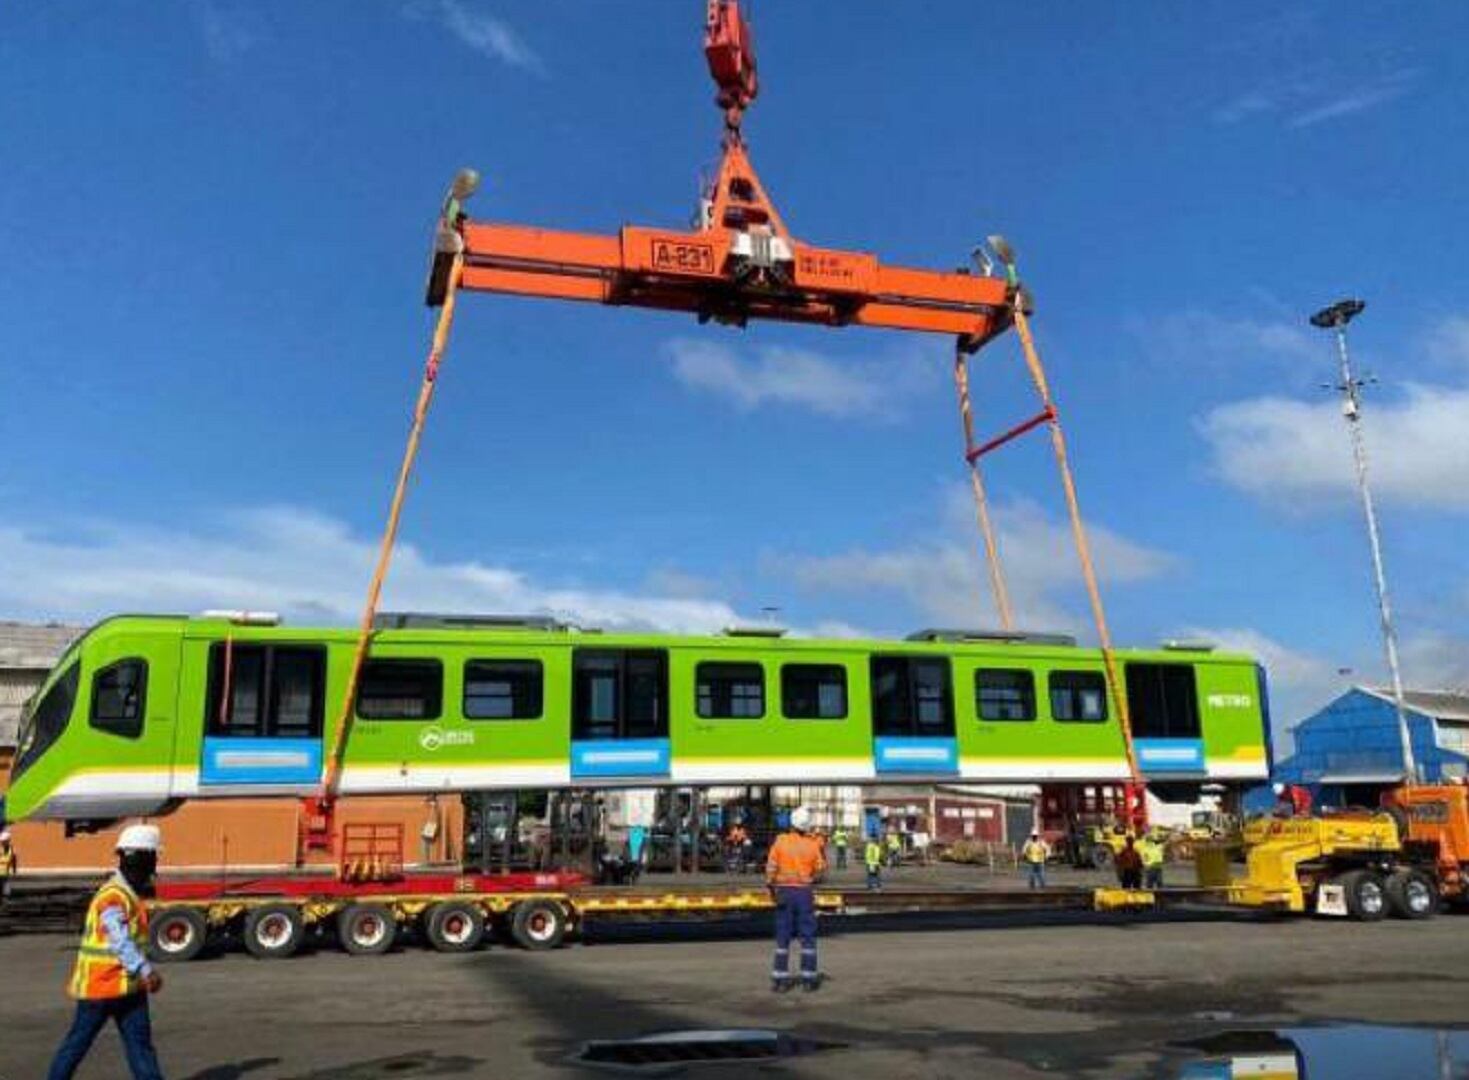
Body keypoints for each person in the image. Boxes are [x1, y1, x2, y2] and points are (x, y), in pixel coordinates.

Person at [48, 824, 165, 1080]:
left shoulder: (126, 893)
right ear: (143, 860)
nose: (155, 867)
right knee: (77, 1046)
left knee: (139, 1050)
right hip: (102, 989)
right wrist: (145, 970)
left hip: (127, 989)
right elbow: (119, 940)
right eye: (154, 858)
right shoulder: (113, 895)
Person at [765, 806, 827, 992]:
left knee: (783, 936)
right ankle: (808, 979)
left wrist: (771, 886)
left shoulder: (780, 842)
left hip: (784, 891)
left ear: (791, 823)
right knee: (807, 936)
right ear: (807, 825)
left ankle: (780, 979)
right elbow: (821, 869)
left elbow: (770, 867)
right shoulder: (813, 844)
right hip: (803, 893)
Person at [0, 829, 16, 904]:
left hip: (5, 872)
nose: (3, 843)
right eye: (3, 841)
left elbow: (13, 859)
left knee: (6, 885)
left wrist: (14, 869)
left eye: (5, 841)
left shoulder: (11, 849)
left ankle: (5, 898)